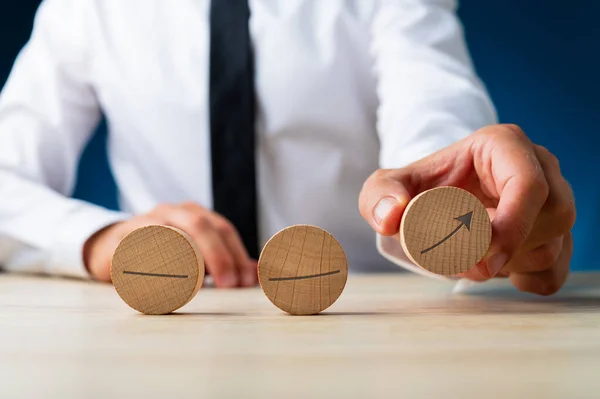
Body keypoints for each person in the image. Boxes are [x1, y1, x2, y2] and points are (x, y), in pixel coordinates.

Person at [0, 0, 575, 295]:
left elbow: (430, 101)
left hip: (370, 323)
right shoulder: (87, 8)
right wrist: (98, 239)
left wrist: (451, 194)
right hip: (169, 316)